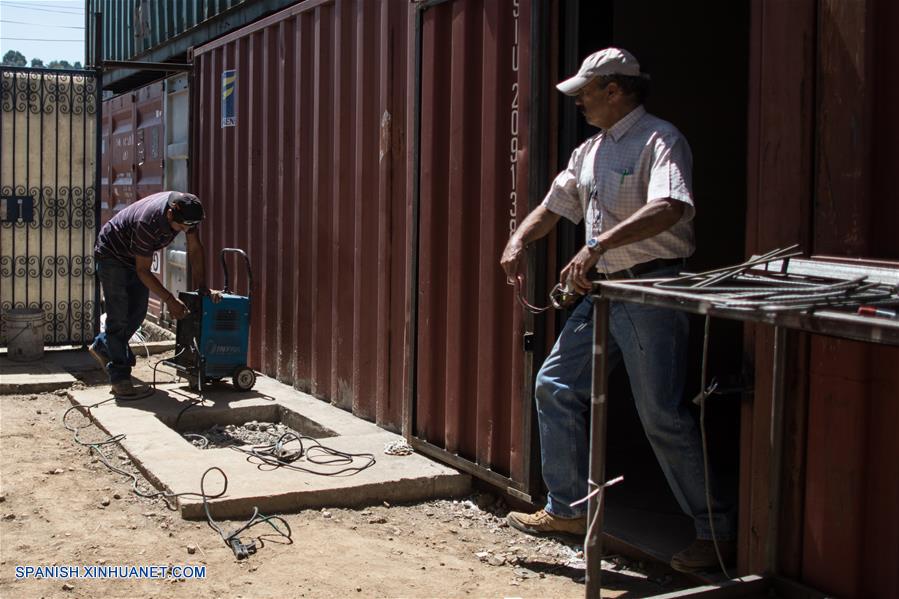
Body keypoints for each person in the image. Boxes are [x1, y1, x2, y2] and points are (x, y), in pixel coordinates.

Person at [500, 48, 735, 572]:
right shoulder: (590, 152)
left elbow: (669, 207)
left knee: (662, 417)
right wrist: (519, 239)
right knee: (555, 386)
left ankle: (715, 532)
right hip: (603, 292)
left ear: (615, 90)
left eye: (586, 91)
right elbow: (554, 205)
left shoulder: (660, 139)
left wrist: (597, 244)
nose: (579, 101)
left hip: (651, 290)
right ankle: (567, 509)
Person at [88, 191, 220, 398]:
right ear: (169, 215)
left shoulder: (187, 211)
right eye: (182, 227)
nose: (186, 230)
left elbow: (195, 249)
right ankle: (119, 377)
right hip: (112, 255)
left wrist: (203, 287)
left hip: (136, 257)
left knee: (138, 313)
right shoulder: (148, 222)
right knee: (119, 315)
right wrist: (169, 300)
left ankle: (104, 345)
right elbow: (143, 270)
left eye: (190, 226)